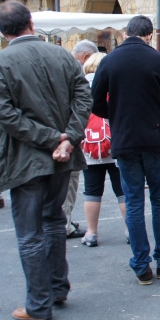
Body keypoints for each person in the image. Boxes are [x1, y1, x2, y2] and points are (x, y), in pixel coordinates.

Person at [0, 1, 92, 320]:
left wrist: (59, 139)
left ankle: (39, 303)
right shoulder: (62, 55)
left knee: (32, 233)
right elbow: (83, 97)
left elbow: (5, 115)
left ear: (2, 31)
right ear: (31, 24)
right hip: (58, 155)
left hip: (26, 160)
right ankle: (57, 288)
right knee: (52, 223)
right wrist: (66, 138)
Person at [91, 15, 160, 285]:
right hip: (153, 136)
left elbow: (95, 102)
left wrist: (116, 115)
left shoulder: (108, 60)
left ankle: (141, 264)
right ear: (149, 35)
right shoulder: (155, 59)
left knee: (133, 203)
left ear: (126, 32)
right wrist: (153, 114)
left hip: (125, 139)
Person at [80, 52, 127, 247]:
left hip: (90, 145)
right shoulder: (113, 82)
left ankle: (91, 233)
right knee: (122, 190)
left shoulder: (80, 86)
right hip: (115, 142)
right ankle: (130, 230)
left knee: (91, 190)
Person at [63, 39, 100, 239]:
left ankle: (67, 223)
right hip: (77, 138)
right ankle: (64, 224)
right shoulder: (75, 73)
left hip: (66, 136)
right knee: (69, 183)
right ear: (86, 57)